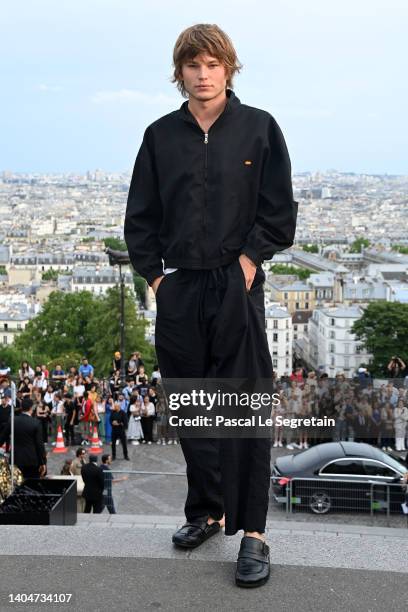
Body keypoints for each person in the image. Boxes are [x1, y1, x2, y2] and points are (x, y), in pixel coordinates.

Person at [124, 23, 297, 588]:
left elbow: (279, 212)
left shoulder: (259, 129)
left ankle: (253, 535)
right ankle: (208, 511)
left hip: (236, 281)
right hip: (179, 288)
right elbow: (140, 218)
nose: (203, 74)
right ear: (180, 72)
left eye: (213, 64)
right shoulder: (159, 136)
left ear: (229, 68)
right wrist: (155, 281)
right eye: (193, 65)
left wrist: (247, 265)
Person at [0, 398, 47, 479]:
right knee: (32, 487)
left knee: (17, 487)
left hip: (16, 459)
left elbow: (2, 438)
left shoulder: (12, 421)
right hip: (32, 460)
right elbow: (39, 445)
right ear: (31, 408)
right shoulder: (36, 423)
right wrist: (43, 462)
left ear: (21, 407)